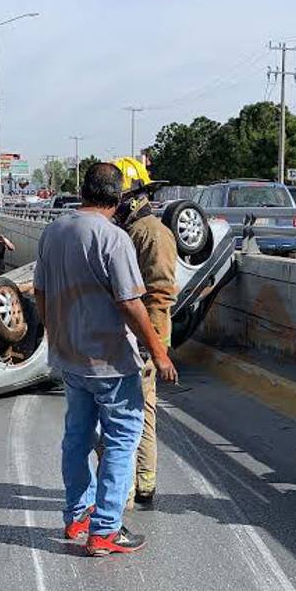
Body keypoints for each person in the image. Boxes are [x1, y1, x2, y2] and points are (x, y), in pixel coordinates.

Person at [33, 162, 177, 557]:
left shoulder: (53, 232)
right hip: (111, 364)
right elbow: (131, 303)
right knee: (120, 441)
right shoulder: (114, 239)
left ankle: (78, 516)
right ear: (119, 198)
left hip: (70, 359)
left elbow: (40, 293)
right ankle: (105, 530)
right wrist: (160, 352)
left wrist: (55, 333)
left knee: (77, 439)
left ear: (83, 192)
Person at [111, 156, 178, 507]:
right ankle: (140, 482)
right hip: (134, 335)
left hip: (145, 338)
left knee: (138, 411)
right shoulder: (130, 232)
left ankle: (140, 484)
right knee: (137, 409)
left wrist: (150, 344)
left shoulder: (151, 233)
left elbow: (160, 293)